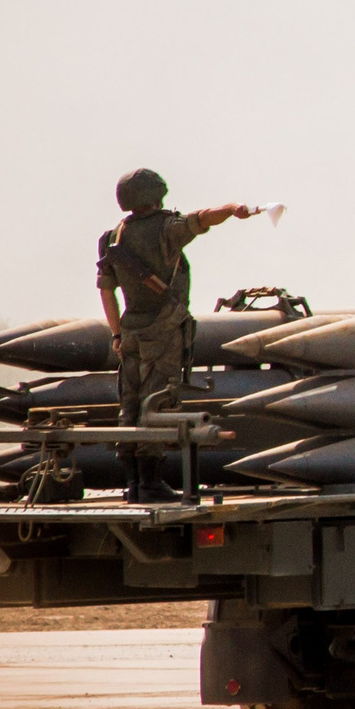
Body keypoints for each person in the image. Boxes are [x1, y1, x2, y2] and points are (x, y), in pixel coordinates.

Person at [97, 169, 263, 501]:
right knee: (157, 404)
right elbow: (202, 219)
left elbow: (105, 291)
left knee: (129, 405)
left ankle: (132, 485)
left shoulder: (113, 237)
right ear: (155, 195)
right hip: (162, 330)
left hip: (129, 332)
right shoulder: (166, 229)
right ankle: (150, 483)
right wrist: (233, 208)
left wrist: (116, 334)